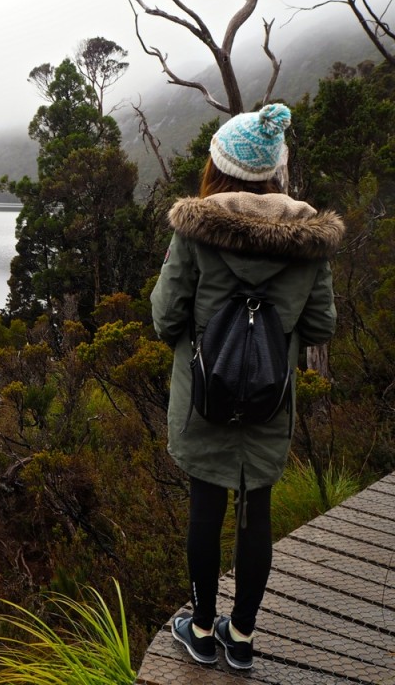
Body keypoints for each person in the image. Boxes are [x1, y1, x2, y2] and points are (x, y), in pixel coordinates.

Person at [150, 103, 344, 670]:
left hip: (203, 399)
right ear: (274, 171)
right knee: (255, 509)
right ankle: (243, 637)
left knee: (205, 506)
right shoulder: (310, 240)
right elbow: (320, 326)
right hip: (269, 397)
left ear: (220, 168)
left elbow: (165, 317)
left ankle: (202, 630)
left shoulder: (195, 230)